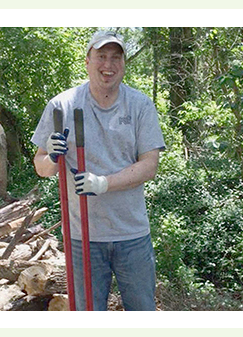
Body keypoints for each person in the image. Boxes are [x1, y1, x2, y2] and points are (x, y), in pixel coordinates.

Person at [31, 31, 165, 311]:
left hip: (132, 234)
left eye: (116, 57)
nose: (109, 64)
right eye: (101, 56)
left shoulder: (140, 105)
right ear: (87, 61)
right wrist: (53, 157)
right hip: (83, 237)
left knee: (143, 312)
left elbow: (149, 165)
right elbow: (42, 166)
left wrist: (103, 183)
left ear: (124, 64)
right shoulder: (62, 106)